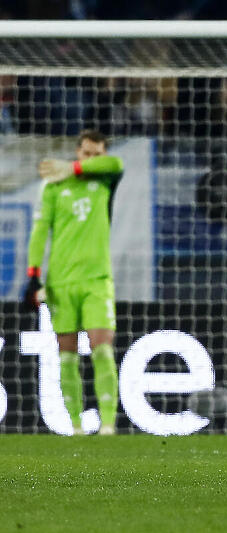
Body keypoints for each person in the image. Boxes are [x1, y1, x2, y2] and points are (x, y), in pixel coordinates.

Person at [24, 129, 124, 436]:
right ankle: (76, 427)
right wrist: (33, 275)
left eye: (96, 154)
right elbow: (41, 230)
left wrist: (74, 167)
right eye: (86, 153)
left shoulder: (105, 179)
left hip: (96, 280)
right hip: (61, 282)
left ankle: (107, 425)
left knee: (102, 348)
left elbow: (116, 164)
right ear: (77, 151)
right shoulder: (54, 186)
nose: (92, 158)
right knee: (66, 354)